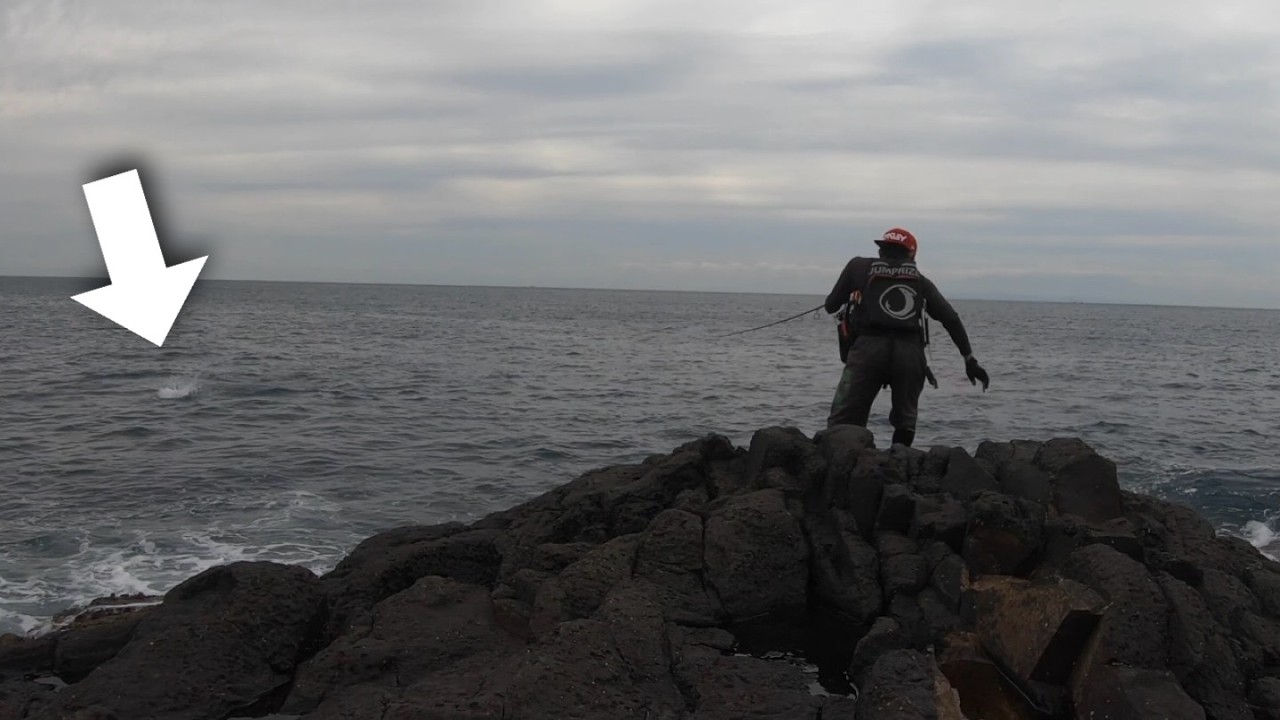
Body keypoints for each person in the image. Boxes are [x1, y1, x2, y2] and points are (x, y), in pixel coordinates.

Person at [825, 227, 989, 447]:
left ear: (882, 250)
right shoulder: (921, 282)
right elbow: (951, 319)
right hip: (909, 354)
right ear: (911, 255)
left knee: (844, 419)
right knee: (906, 421)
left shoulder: (858, 267)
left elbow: (830, 306)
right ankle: (899, 463)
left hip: (867, 350)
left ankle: (842, 459)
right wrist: (969, 360)